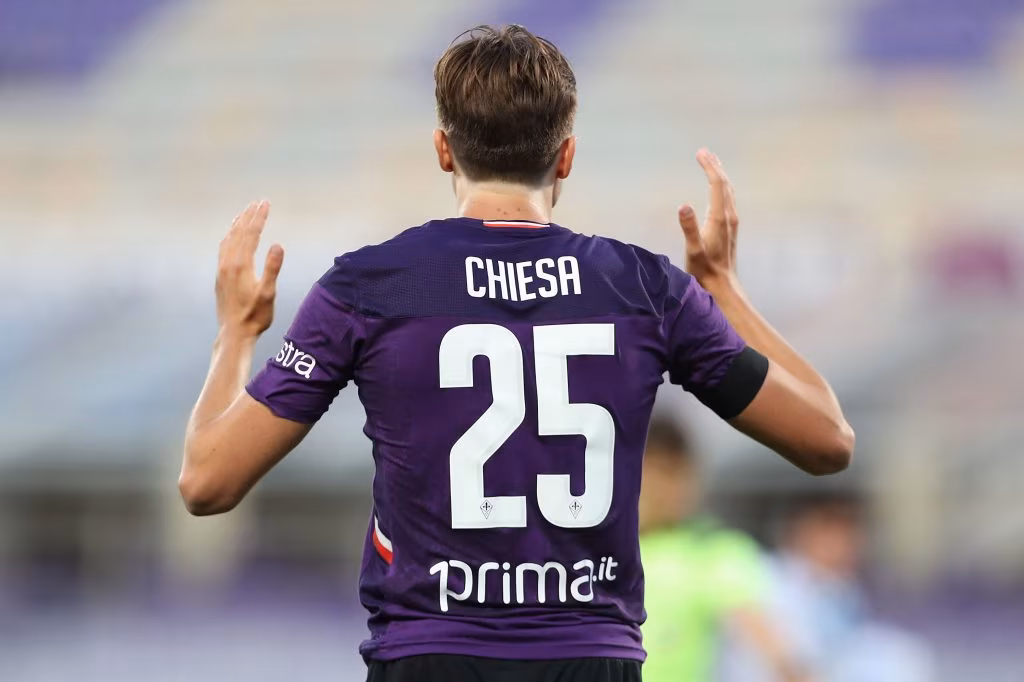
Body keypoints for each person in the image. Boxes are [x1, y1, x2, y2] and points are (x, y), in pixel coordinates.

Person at [178, 24, 854, 682]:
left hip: (430, 652)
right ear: (566, 156)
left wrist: (236, 333)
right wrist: (725, 291)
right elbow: (827, 439)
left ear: (443, 149)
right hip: (590, 654)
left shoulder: (370, 287)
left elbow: (207, 482)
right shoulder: (646, 289)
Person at [640, 416, 813, 682]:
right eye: (663, 473)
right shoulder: (594, 551)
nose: (675, 490)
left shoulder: (712, 551)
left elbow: (769, 642)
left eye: (682, 474)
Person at [722, 495, 934, 682]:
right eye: (835, 530)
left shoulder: (841, 589)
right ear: (803, 531)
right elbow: (777, 654)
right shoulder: (765, 575)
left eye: (852, 531)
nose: (850, 542)